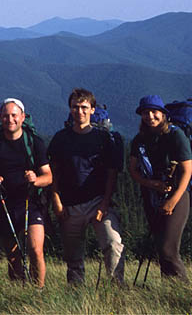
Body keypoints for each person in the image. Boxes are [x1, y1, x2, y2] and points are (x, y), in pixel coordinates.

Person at [47, 88, 125, 285]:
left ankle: (117, 288)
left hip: (98, 201)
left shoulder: (103, 139)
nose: (79, 112)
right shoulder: (61, 139)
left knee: (113, 243)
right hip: (69, 204)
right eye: (75, 107)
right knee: (73, 257)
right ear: (70, 110)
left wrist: (105, 203)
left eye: (84, 107)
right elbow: (53, 173)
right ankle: (76, 293)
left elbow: (111, 174)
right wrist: (56, 200)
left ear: (92, 110)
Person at [0, 98, 52, 288]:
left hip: (31, 202)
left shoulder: (34, 143)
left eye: (13, 115)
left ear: (23, 117)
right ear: (0, 118)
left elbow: (48, 176)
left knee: (36, 250)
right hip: (3, 203)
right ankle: (18, 291)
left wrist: (35, 180)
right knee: (13, 255)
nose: (9, 119)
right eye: (5, 115)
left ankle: (39, 291)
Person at [128, 95, 192, 282]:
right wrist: (152, 184)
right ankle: (169, 292)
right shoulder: (139, 140)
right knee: (160, 248)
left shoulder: (175, 135)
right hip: (152, 197)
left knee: (168, 249)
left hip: (178, 196)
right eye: (145, 112)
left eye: (154, 112)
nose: (150, 116)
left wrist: (172, 201)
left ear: (163, 114)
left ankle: (183, 292)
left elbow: (187, 171)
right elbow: (133, 170)